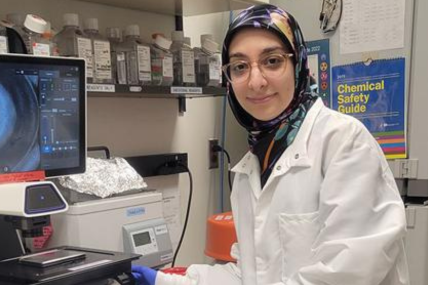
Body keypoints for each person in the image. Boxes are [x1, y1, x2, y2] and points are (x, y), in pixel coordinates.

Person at [132, 4, 409, 285]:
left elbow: (346, 275)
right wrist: (165, 281)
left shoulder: (343, 143)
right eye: (240, 67)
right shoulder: (252, 165)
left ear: (298, 62)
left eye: (272, 61)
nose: (255, 81)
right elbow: (250, 274)